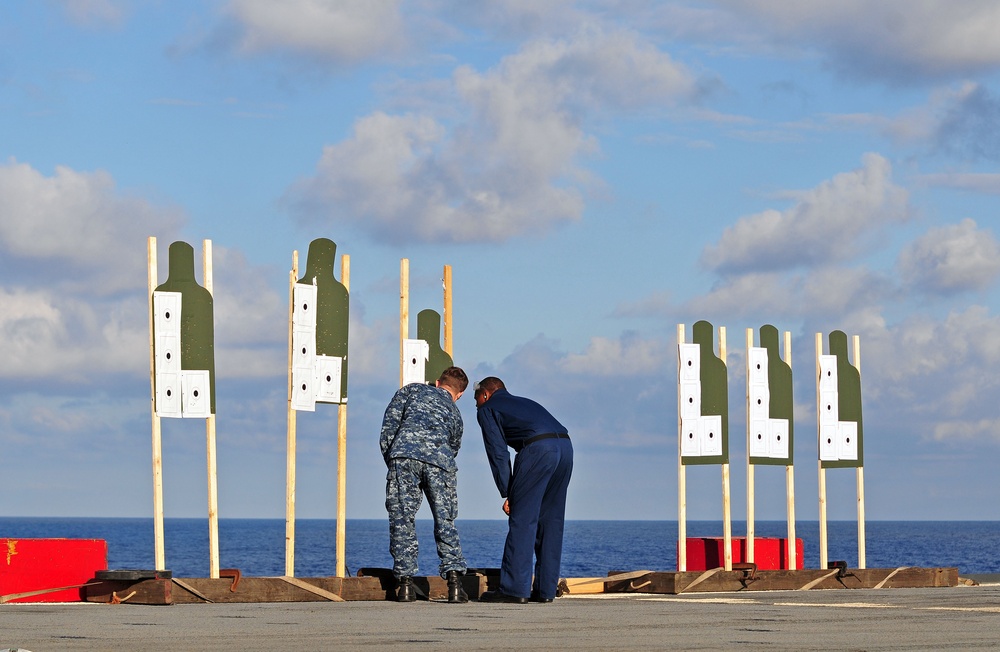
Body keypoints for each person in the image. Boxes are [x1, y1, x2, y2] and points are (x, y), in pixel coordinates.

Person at [474, 377, 573, 604]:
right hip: (566, 447)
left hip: (538, 450)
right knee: (551, 522)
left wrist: (509, 492)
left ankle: (514, 589)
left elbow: (498, 453)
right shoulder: (524, 402)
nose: (476, 405)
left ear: (486, 394)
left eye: (476, 399)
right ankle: (546, 590)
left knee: (523, 520)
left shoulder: (488, 409)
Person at [380, 366, 470, 603]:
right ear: (458, 394)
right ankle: (454, 585)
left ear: (438, 382)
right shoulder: (454, 410)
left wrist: (393, 459)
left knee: (402, 519)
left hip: (404, 456)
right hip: (440, 461)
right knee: (445, 520)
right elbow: (454, 445)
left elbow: (389, 429)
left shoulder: (410, 391)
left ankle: (405, 585)